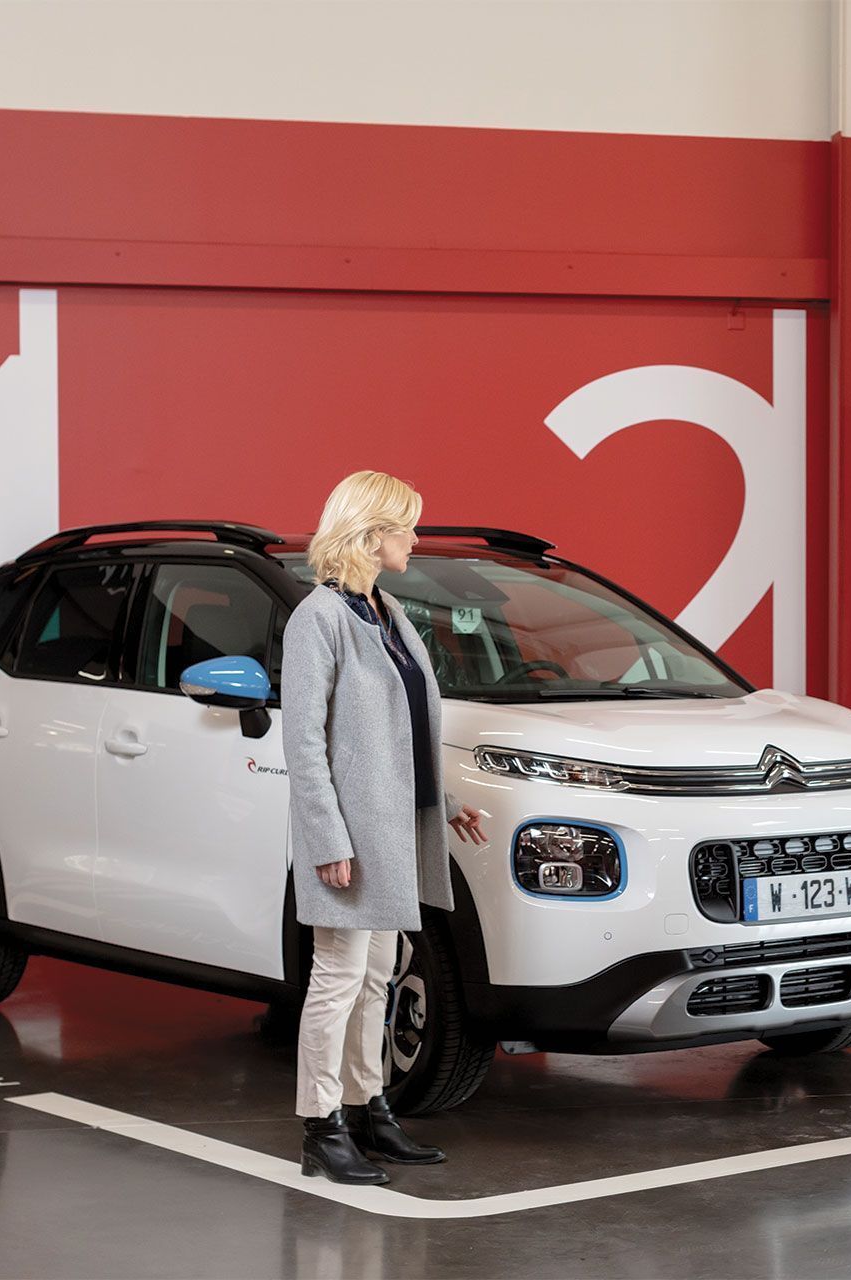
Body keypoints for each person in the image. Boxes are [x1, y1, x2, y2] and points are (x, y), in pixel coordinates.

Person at [282, 470, 489, 1184]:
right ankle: (320, 1124)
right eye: (406, 527)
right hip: (352, 836)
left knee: (377, 977)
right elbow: (303, 742)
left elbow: (405, 731)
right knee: (337, 977)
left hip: (395, 830)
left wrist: (448, 799)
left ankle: (370, 1110)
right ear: (372, 535)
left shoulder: (386, 612)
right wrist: (327, 840)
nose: (415, 539)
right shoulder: (320, 617)